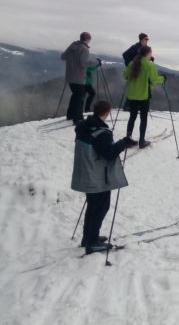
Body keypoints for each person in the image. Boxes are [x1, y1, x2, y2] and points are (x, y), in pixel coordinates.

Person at [71, 100, 130, 254]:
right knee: (100, 208)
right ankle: (92, 242)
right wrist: (124, 143)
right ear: (107, 112)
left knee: (92, 206)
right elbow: (109, 154)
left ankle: (88, 238)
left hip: (86, 173)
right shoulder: (101, 132)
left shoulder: (84, 126)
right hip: (98, 176)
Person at [123, 46, 165, 148]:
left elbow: (125, 76)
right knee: (143, 118)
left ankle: (128, 138)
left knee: (132, 117)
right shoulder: (150, 65)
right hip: (144, 96)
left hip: (132, 95)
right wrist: (163, 78)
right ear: (148, 53)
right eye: (151, 52)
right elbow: (154, 80)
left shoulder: (132, 63)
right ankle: (142, 141)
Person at [61, 32, 97, 124]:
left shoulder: (72, 46)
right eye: (90, 39)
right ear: (88, 39)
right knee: (80, 98)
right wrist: (97, 62)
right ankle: (78, 119)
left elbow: (63, 57)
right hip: (79, 77)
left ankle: (70, 115)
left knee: (75, 96)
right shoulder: (84, 49)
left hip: (70, 76)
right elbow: (84, 63)